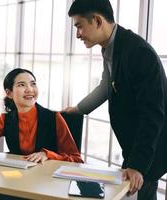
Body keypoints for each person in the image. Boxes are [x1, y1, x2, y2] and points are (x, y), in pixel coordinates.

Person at [64, 0, 167, 199]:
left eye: (79, 26)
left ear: (97, 20)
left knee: (139, 193)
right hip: (135, 145)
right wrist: (78, 109)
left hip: (151, 148)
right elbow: (106, 85)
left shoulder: (138, 53)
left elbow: (152, 116)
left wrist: (137, 166)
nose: (77, 34)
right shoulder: (112, 46)